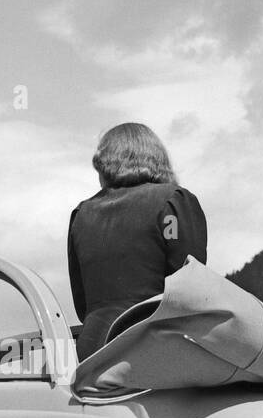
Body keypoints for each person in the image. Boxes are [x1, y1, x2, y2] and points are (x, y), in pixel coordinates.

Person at [67, 122, 208, 361]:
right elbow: (189, 283)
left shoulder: (81, 215)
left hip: (92, 353)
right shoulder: (172, 204)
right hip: (154, 348)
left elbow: (82, 304)